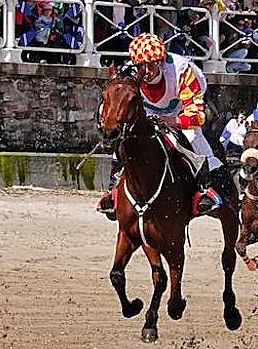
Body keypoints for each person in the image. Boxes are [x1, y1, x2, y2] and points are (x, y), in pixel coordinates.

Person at [96, 32, 224, 218]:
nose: (147, 71)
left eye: (152, 64)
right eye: (141, 65)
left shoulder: (182, 71)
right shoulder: (129, 72)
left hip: (182, 110)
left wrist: (171, 121)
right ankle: (112, 192)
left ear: (161, 60)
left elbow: (197, 116)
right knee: (124, 141)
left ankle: (205, 191)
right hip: (148, 113)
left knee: (194, 138)